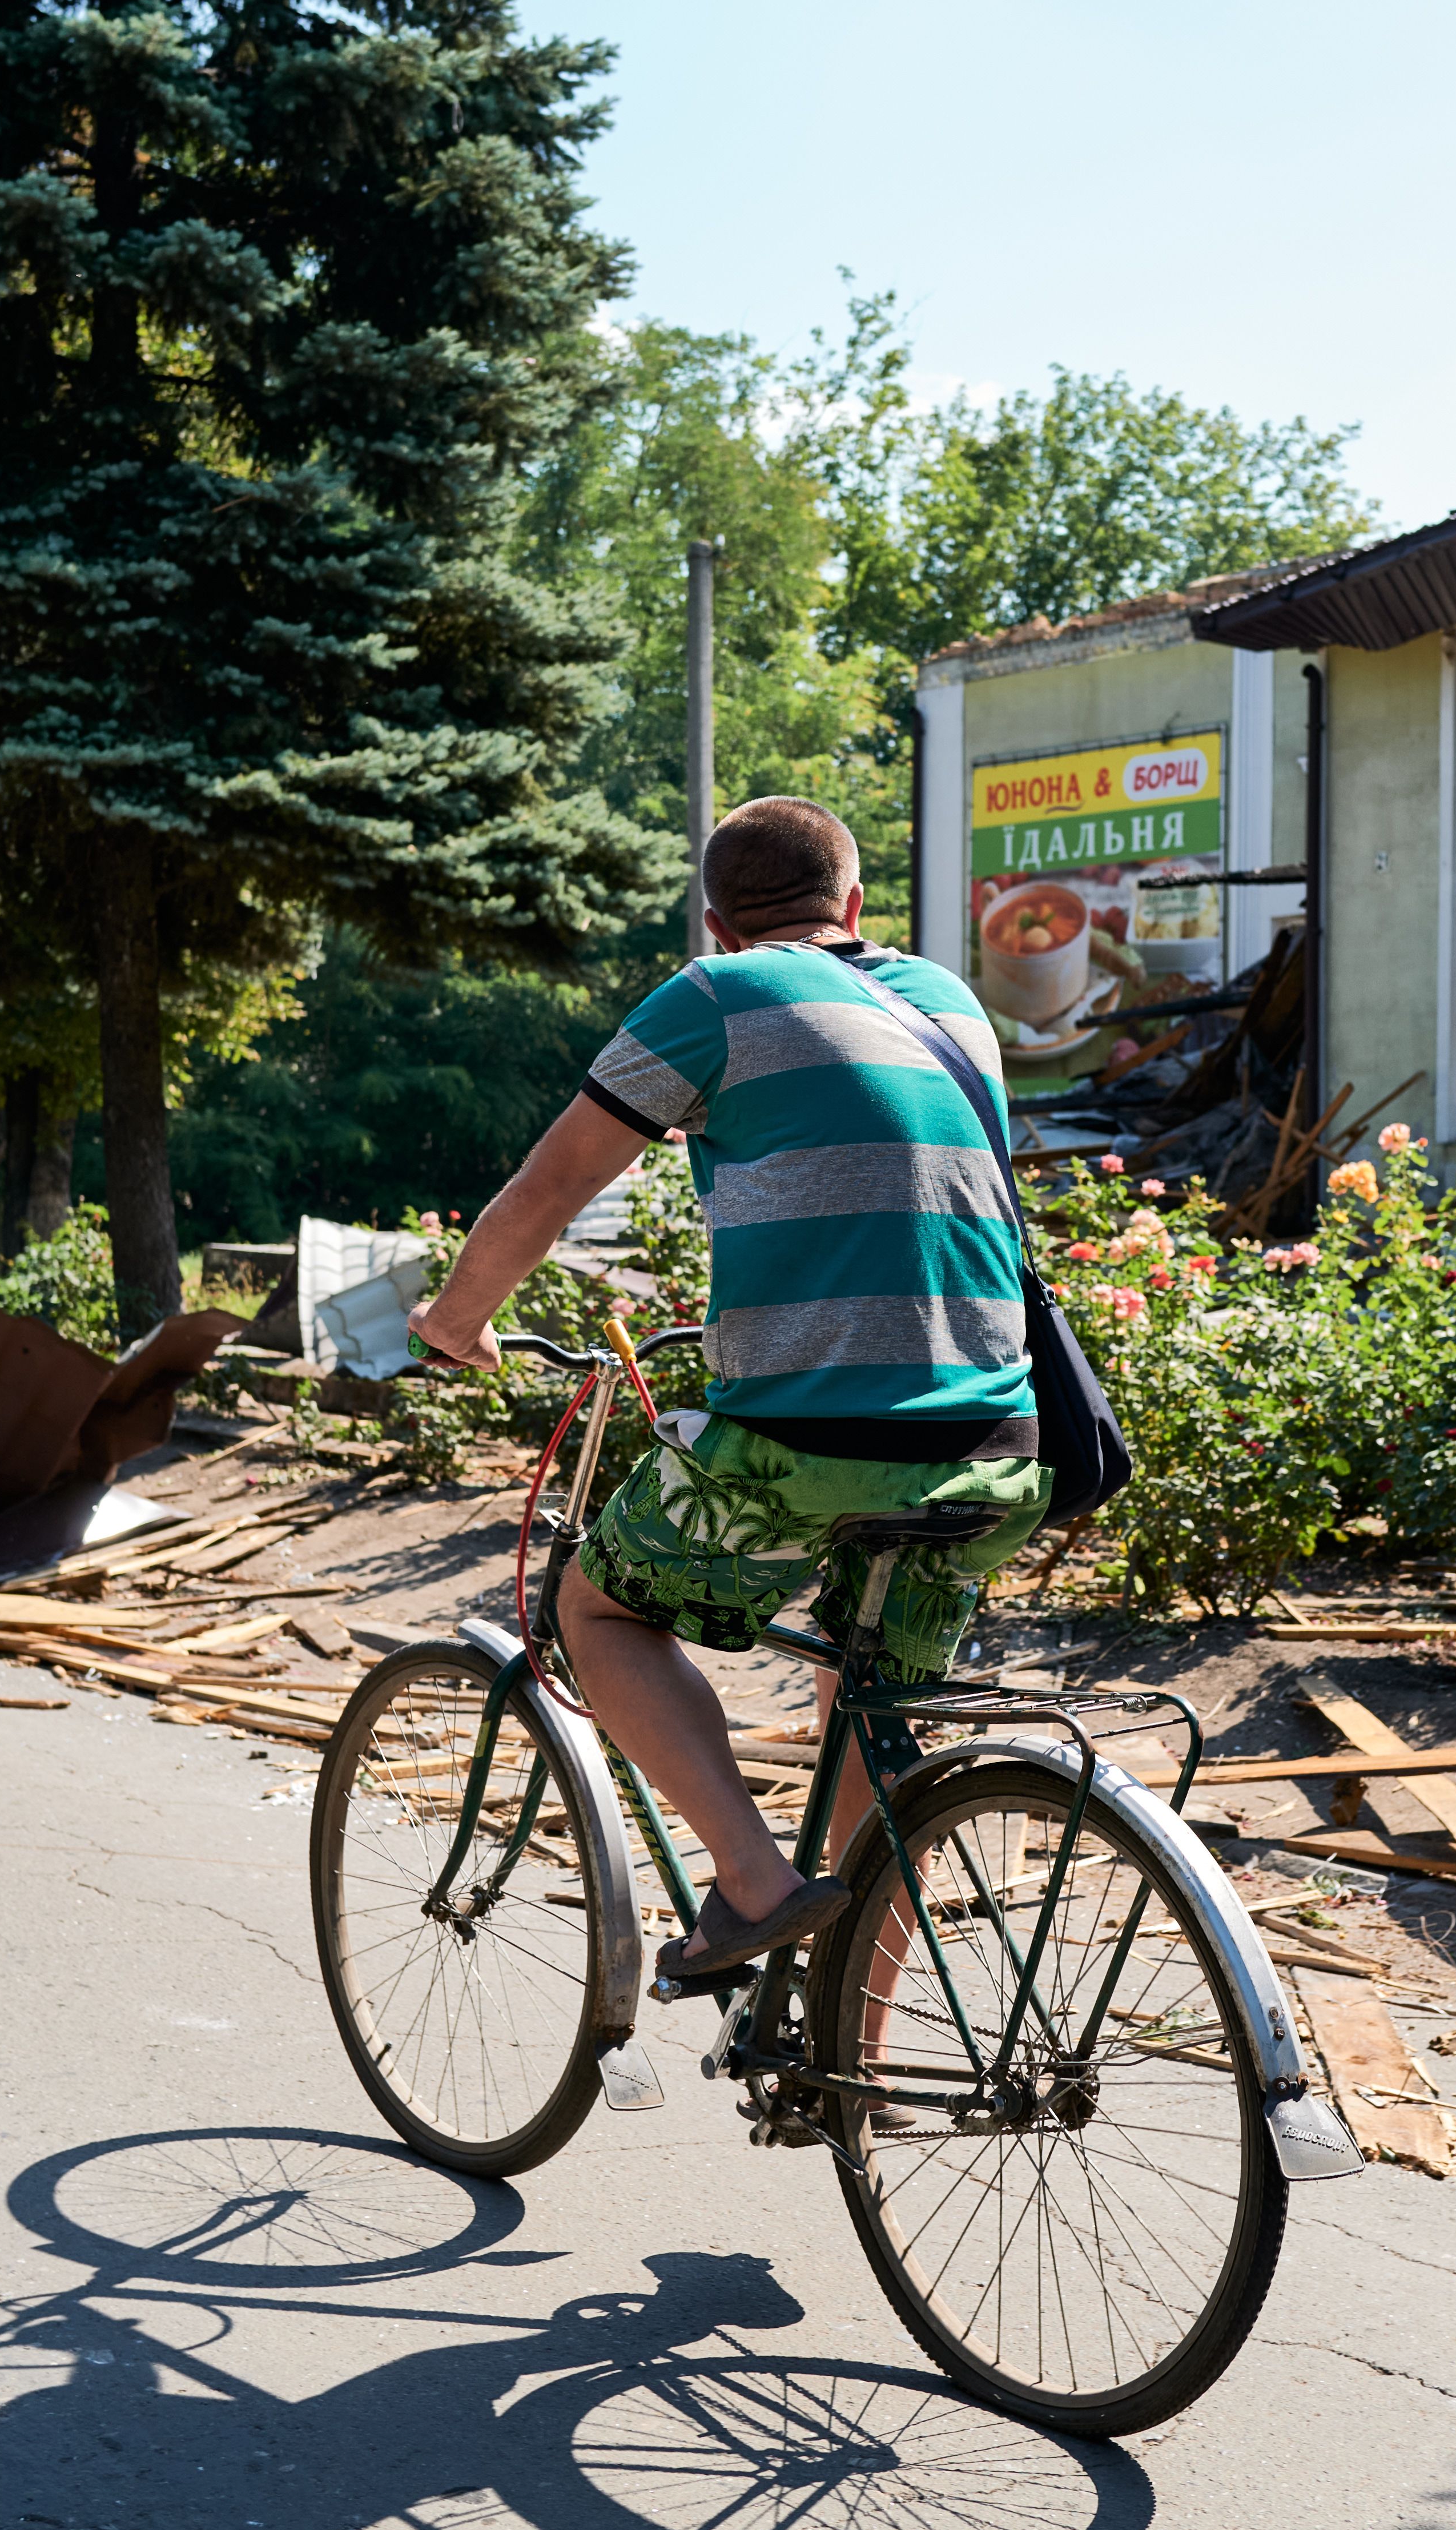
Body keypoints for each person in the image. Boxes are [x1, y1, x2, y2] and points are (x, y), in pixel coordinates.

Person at [408, 797, 1048, 1982]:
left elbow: (550, 1189)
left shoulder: (712, 996)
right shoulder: (951, 1001)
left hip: (811, 1439)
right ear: (855, 907)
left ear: (716, 920)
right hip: (999, 1441)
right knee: (877, 1718)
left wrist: (456, 1321)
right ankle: (852, 2065)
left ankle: (752, 1884)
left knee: (596, 1612)